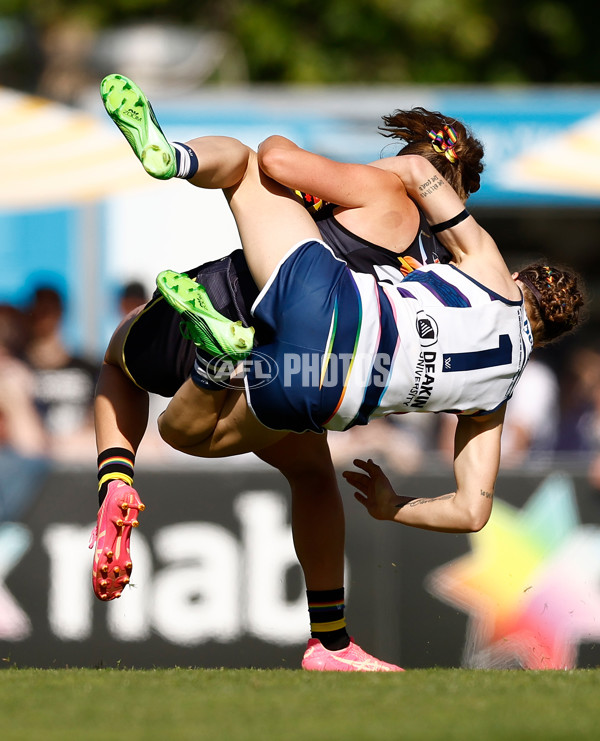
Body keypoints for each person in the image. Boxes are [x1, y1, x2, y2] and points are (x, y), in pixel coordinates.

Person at [97, 74, 583, 668]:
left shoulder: (440, 234)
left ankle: (175, 158)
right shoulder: (495, 364)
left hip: (257, 298)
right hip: (322, 378)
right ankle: (330, 641)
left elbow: (279, 160)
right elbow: (472, 509)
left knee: (121, 356)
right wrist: (392, 504)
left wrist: (359, 176)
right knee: (273, 462)